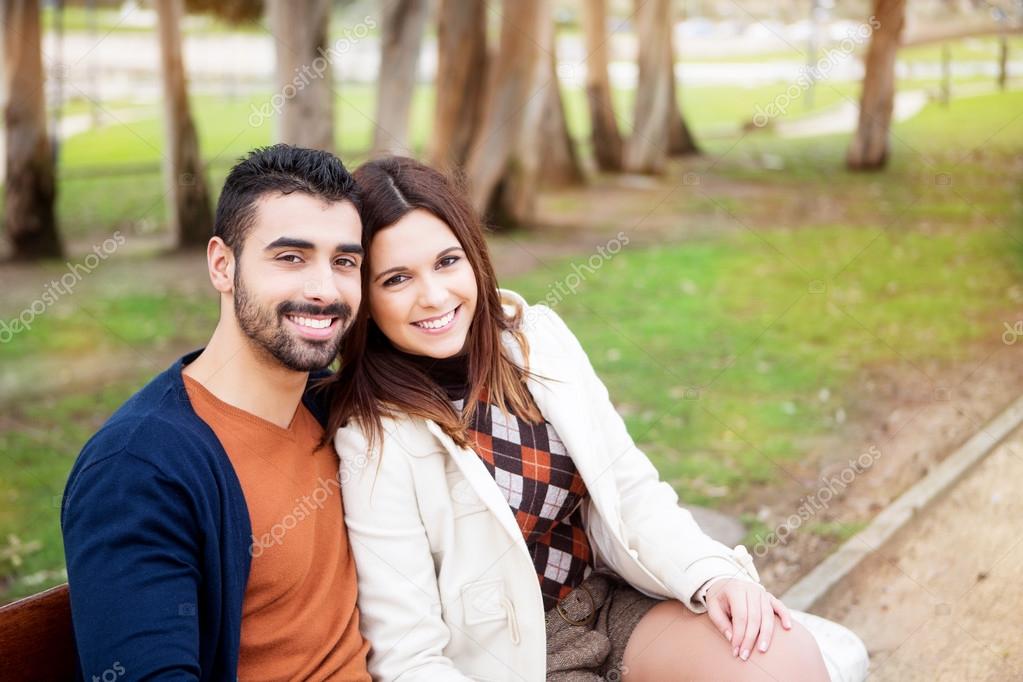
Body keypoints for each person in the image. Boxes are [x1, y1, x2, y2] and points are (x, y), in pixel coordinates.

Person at [323, 156, 869, 681]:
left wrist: (714, 572)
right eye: (397, 279)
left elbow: (631, 491)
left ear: (474, 256)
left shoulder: (537, 343)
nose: (434, 295)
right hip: (520, 662)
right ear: (364, 297)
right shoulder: (371, 441)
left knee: (784, 659)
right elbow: (407, 656)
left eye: (447, 261)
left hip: (614, 609)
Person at [61, 145, 372, 681]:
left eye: (344, 261)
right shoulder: (137, 469)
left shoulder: (336, 409)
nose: (325, 290)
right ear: (222, 265)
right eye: (290, 257)